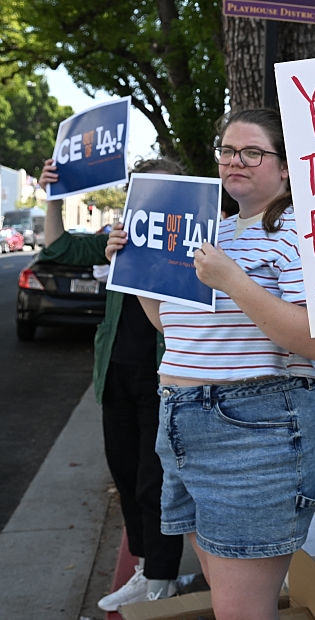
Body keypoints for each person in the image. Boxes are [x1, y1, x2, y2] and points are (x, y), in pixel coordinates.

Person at [106, 107, 315, 620]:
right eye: (228, 150)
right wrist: (136, 266)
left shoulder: (306, 234)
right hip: (185, 426)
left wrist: (234, 280)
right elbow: (176, 329)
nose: (236, 160)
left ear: (286, 167)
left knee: (238, 610)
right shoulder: (214, 231)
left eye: (253, 151)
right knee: (230, 598)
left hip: (255, 433)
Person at [38, 157, 186, 610]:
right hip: (116, 377)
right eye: (141, 190)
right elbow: (58, 247)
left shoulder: (191, 244)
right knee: (125, 474)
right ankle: (146, 568)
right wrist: (54, 196)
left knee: (155, 481)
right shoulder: (116, 239)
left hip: (164, 381)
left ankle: (162, 578)